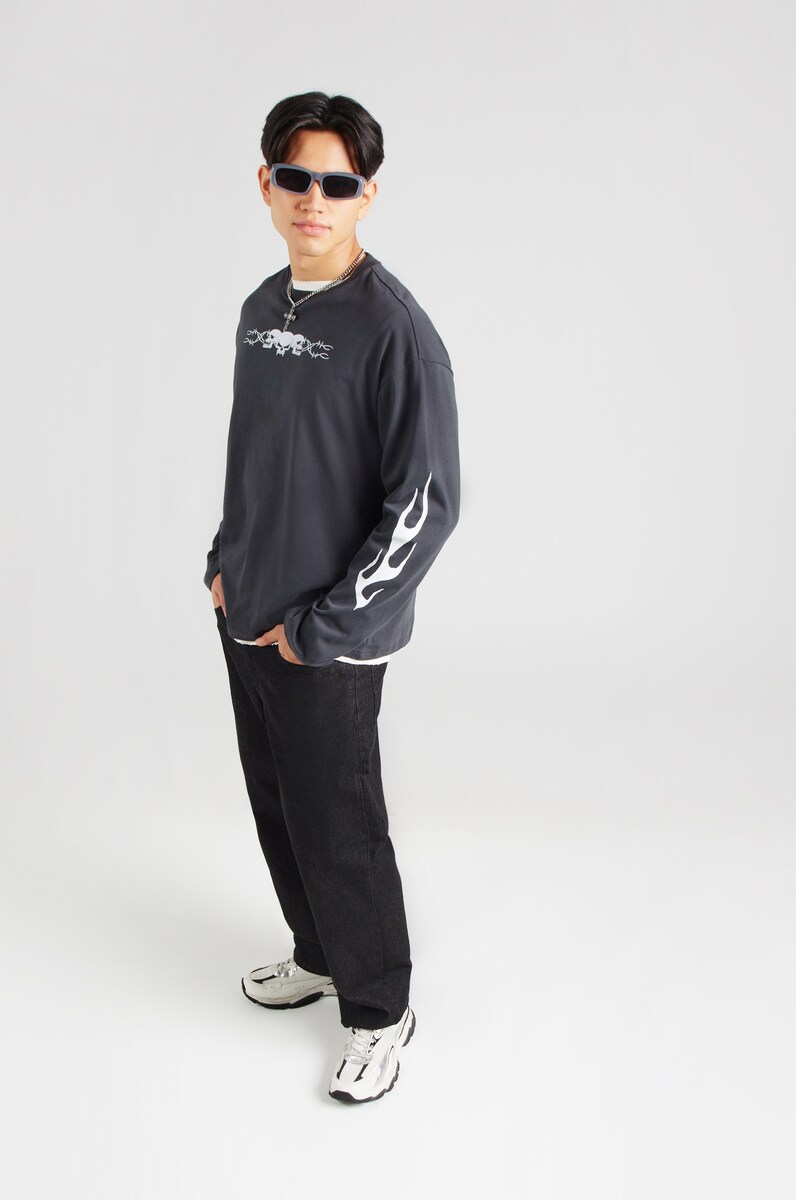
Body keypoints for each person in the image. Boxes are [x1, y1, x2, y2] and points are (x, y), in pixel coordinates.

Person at [203, 91, 461, 1104]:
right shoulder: (262, 309)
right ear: (267, 185)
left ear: (367, 196)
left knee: (338, 823)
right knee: (277, 802)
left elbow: (425, 502)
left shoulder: (395, 330)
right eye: (297, 177)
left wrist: (324, 626)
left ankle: (379, 1008)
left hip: (328, 635)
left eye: (338, 183)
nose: (315, 198)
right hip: (248, 612)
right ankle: (318, 953)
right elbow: (255, 455)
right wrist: (224, 561)